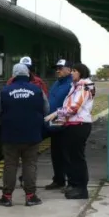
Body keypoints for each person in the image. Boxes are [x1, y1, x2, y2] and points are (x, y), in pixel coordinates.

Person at [0, 63, 46, 207]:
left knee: (10, 165)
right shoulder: (37, 90)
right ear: (28, 75)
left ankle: (7, 197)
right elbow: (46, 109)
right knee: (30, 165)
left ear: (13, 75)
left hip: (10, 136)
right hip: (32, 135)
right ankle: (30, 196)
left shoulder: (4, 91)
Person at [46, 62, 95, 200]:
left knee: (77, 158)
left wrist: (55, 114)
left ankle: (81, 189)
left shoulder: (84, 86)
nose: (72, 73)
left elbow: (74, 107)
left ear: (81, 72)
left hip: (79, 125)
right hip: (73, 124)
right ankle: (74, 185)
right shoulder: (77, 86)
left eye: (74, 71)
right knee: (72, 157)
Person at [44, 59, 74, 190]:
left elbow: (70, 106)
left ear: (69, 69)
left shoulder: (72, 84)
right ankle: (58, 179)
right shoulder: (56, 83)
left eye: (61, 68)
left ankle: (71, 181)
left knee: (66, 153)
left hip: (65, 123)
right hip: (55, 122)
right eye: (57, 68)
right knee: (56, 153)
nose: (58, 70)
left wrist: (60, 122)